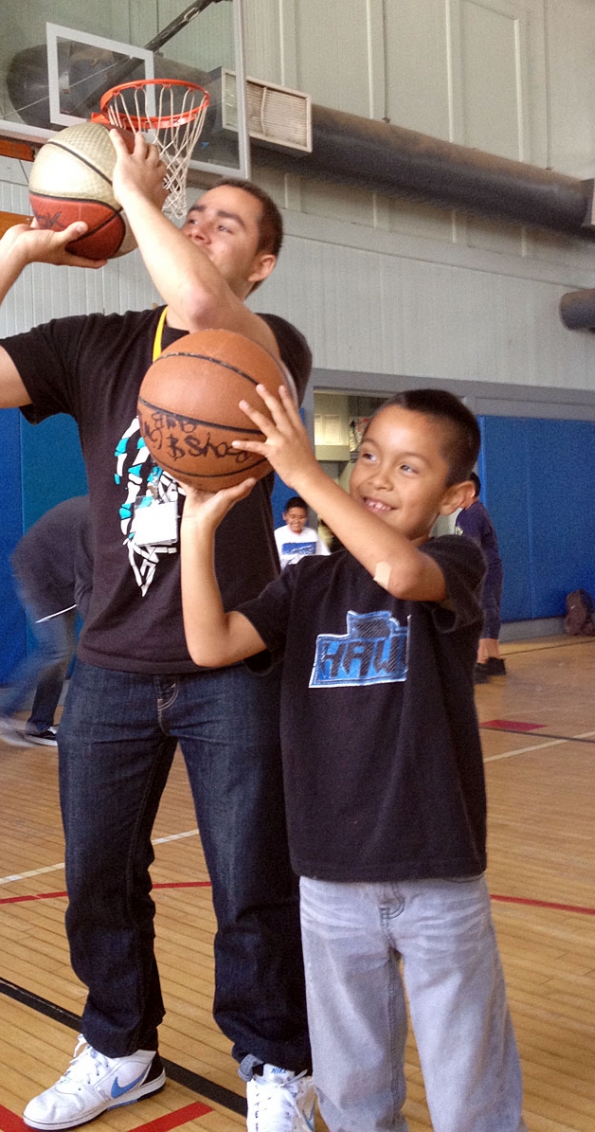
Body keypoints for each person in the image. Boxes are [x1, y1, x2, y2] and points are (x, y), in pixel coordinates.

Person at [0, 129, 313, 1132]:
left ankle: (273, 1060)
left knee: (250, 877)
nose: (196, 223)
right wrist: (18, 248)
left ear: (259, 263)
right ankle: (118, 1043)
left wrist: (131, 199)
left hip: (233, 661)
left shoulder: (266, 341)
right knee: (96, 873)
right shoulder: (92, 343)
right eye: (194, 212)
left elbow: (200, 306)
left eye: (226, 223)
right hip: (111, 668)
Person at [179, 387, 527, 1132]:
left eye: (407, 468)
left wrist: (306, 475)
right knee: (353, 1086)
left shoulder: (453, 562)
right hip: (330, 878)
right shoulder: (306, 584)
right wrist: (196, 535)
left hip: (437, 871)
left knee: (471, 1083)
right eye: (368, 456)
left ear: (454, 495)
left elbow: (400, 576)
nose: (375, 477)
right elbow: (210, 643)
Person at [0, 495, 92, 748]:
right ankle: (2, 710)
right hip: (39, 576)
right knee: (56, 650)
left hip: (63, 580)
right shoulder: (97, 520)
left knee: (61, 655)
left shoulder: (99, 513)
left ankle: (39, 726)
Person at [456, 472, 506, 682]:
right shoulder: (472, 513)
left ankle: (480, 663)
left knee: (481, 613)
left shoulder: (471, 515)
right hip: (492, 569)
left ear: (470, 491)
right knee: (490, 611)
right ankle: (494, 659)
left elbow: (471, 547)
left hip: (483, 571)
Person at [273, 495, 330, 569]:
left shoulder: (311, 535)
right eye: (293, 517)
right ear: (285, 516)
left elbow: (324, 556)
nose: (297, 521)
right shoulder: (278, 535)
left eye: (301, 517)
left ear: (306, 518)